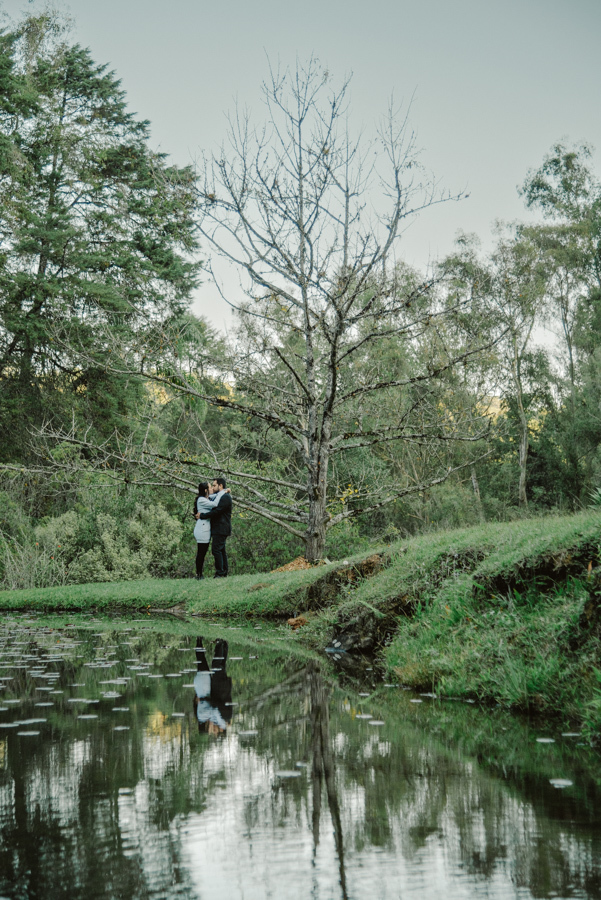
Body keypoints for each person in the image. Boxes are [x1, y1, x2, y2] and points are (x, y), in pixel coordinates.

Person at [192, 636, 233, 736]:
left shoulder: (203, 717)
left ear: (206, 726)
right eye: (214, 731)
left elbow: (213, 708)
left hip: (206, 684)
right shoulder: (202, 717)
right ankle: (219, 644)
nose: (212, 729)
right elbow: (212, 707)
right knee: (211, 663)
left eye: (210, 730)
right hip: (203, 685)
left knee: (213, 663)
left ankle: (220, 644)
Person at [197, 476, 232, 578]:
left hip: (221, 527)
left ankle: (220, 573)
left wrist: (202, 516)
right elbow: (212, 498)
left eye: (214, 485)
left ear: (220, 486)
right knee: (221, 550)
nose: (212, 487)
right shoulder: (221, 495)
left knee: (216, 550)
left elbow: (217, 511)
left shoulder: (225, 497)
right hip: (219, 528)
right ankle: (223, 571)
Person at [192, 482, 221, 579]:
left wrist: (222, 491)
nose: (212, 488)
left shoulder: (205, 498)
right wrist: (222, 492)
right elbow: (215, 503)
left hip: (205, 528)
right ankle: (198, 574)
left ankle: (199, 574)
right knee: (201, 553)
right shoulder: (201, 500)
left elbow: (214, 496)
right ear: (205, 490)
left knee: (202, 552)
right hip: (202, 529)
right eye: (210, 487)